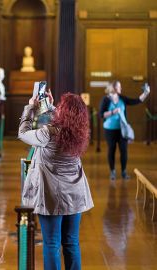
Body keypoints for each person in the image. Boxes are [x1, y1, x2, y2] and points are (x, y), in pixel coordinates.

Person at [19, 92, 94, 270]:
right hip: (75, 193)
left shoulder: (47, 134)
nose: (57, 109)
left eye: (60, 107)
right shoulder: (79, 132)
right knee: (71, 242)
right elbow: (64, 121)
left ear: (63, 112)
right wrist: (49, 106)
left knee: (52, 243)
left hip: (51, 194)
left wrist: (30, 108)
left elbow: (23, 134)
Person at [99, 80, 150, 180]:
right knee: (111, 150)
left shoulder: (122, 98)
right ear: (113, 88)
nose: (121, 88)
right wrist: (113, 112)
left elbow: (137, 100)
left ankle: (123, 172)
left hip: (122, 129)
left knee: (124, 150)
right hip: (110, 130)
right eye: (119, 87)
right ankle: (112, 172)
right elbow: (101, 114)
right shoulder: (105, 99)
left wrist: (146, 93)